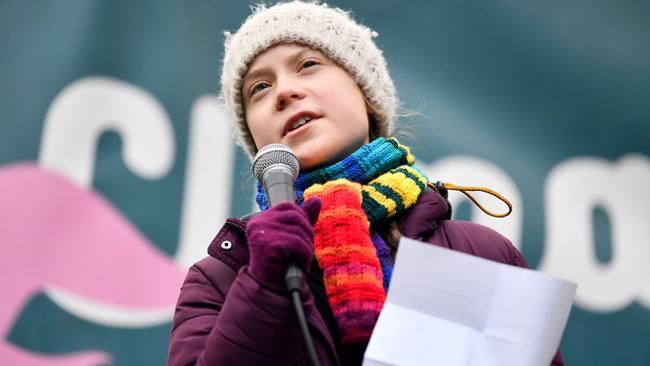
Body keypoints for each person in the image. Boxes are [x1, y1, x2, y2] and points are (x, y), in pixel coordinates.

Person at [166, 1, 564, 365]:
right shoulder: (219, 279)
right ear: (255, 139)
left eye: (307, 64)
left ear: (366, 93)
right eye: (259, 88)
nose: (284, 92)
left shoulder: (481, 253)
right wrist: (263, 289)